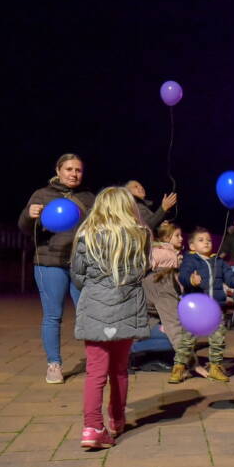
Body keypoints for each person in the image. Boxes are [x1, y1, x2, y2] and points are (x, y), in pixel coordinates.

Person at [70, 187, 150, 449]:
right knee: (119, 369)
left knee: (95, 372)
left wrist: (96, 288)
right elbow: (141, 272)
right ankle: (117, 418)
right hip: (126, 309)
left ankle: (92, 427)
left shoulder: (86, 236)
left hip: (94, 308)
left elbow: (77, 275)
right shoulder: (139, 236)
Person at [18, 153, 96, 384]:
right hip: (49, 262)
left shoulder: (89, 197)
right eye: (69, 169)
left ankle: (95, 361)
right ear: (58, 170)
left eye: (78, 170)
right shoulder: (42, 194)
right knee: (53, 315)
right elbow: (24, 228)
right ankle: (54, 364)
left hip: (81, 263)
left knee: (89, 314)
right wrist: (28, 215)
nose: (74, 174)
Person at [174, 227, 234, 383]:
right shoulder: (190, 260)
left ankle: (215, 366)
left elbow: (230, 278)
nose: (206, 243)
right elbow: (183, 275)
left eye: (208, 240)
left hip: (216, 308)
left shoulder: (219, 262)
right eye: (201, 240)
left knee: (218, 339)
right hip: (195, 310)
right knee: (187, 339)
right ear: (192, 246)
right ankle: (179, 367)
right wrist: (190, 279)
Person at [130, 221, 184, 372]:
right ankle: (131, 351)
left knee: (178, 329)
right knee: (179, 333)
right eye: (177, 235)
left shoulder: (175, 254)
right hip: (139, 324)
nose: (181, 238)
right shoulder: (161, 256)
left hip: (149, 317)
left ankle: (148, 355)